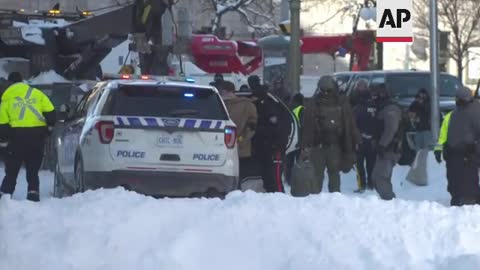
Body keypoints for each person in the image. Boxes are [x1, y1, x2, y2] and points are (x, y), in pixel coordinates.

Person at [0, 72, 56, 201]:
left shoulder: (6, 98)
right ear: (22, 81)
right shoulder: (36, 93)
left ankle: (5, 195)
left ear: (10, 83)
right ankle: (33, 193)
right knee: (33, 168)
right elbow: (51, 111)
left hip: (16, 138)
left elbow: (2, 124)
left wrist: (4, 140)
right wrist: (48, 129)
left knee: (12, 169)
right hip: (36, 136)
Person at [301, 76, 359, 193]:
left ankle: (321, 197)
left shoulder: (314, 103)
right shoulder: (340, 102)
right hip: (327, 145)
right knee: (331, 173)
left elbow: (307, 126)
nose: (326, 93)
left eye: (327, 90)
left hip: (327, 145)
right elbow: (349, 124)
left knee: (325, 173)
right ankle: (330, 196)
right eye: (324, 90)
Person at [436, 87, 480, 206]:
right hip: (454, 152)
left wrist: (475, 152)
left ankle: (469, 201)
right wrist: (444, 147)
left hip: (468, 153)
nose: (455, 100)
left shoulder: (475, 112)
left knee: (467, 179)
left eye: (457, 98)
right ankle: (458, 198)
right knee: (454, 178)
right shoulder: (456, 112)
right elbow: (448, 132)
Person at [252, 79, 290, 193]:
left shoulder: (272, 107)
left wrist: (257, 128)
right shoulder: (266, 104)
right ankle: (272, 195)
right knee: (268, 175)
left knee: (276, 176)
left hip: (275, 146)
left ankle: (279, 196)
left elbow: (276, 128)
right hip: (266, 147)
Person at [370, 83, 403, 200]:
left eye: (375, 95)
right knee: (377, 177)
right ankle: (388, 202)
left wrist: (382, 145)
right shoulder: (383, 107)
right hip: (385, 148)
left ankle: (390, 202)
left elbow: (391, 129)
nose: (373, 97)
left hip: (389, 149)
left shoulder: (390, 108)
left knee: (380, 177)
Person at [220, 81, 258, 182]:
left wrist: (242, 139)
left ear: (226, 91)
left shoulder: (246, 105)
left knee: (239, 175)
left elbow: (252, 125)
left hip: (240, 148)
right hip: (221, 147)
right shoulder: (219, 104)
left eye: (222, 91)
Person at [352, 83, 377, 193]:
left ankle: (363, 185)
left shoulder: (357, 107)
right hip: (371, 139)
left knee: (360, 164)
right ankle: (370, 185)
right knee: (369, 164)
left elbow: (353, 125)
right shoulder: (375, 106)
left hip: (361, 139)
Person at [405, 88, 433, 186]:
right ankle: (417, 176)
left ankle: (425, 177)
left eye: (422, 97)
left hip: (428, 131)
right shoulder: (414, 105)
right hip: (418, 131)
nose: (420, 99)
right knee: (418, 154)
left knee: (427, 154)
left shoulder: (429, 105)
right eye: (418, 97)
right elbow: (410, 114)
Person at [285, 93, 304, 184]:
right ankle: (298, 179)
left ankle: (288, 178)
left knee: (289, 160)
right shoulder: (301, 110)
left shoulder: (288, 108)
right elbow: (303, 126)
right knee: (299, 160)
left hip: (290, 138)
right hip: (299, 138)